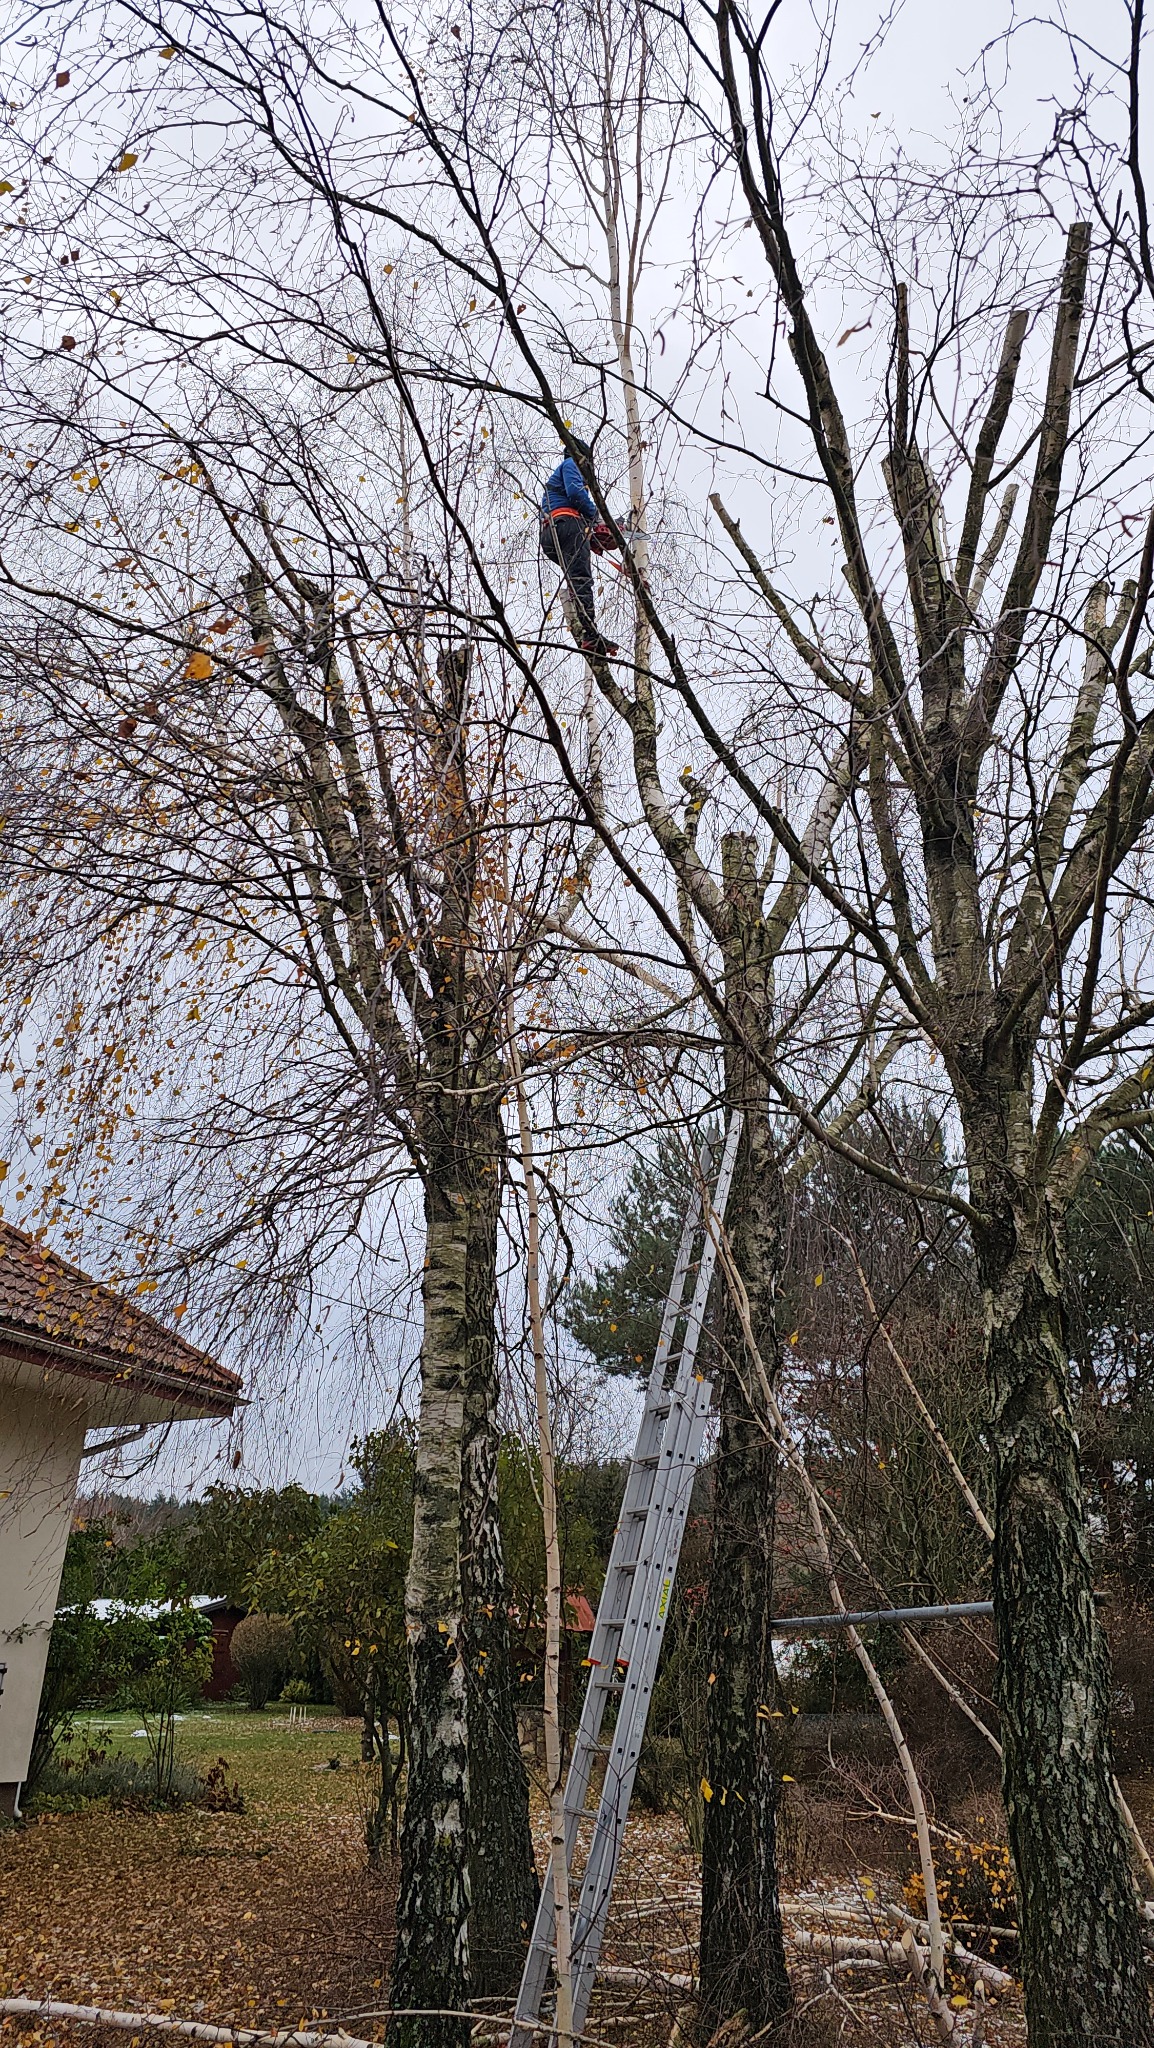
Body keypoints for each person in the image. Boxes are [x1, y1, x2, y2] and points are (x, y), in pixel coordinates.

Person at [539, 437, 620, 657]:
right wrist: (598, 519)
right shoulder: (571, 464)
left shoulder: (557, 481)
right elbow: (576, 494)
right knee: (582, 580)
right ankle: (591, 635)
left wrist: (591, 535)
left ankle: (585, 628)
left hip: (552, 533)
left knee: (576, 580)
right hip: (567, 524)